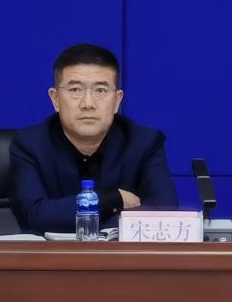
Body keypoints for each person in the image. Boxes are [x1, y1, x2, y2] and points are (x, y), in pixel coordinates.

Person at [9, 42, 177, 233]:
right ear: (55, 99)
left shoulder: (144, 143)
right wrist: (111, 199)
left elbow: (164, 216)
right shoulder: (30, 144)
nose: (88, 103)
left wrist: (67, 219)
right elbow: (33, 217)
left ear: (117, 101)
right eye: (75, 90)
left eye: (100, 90)